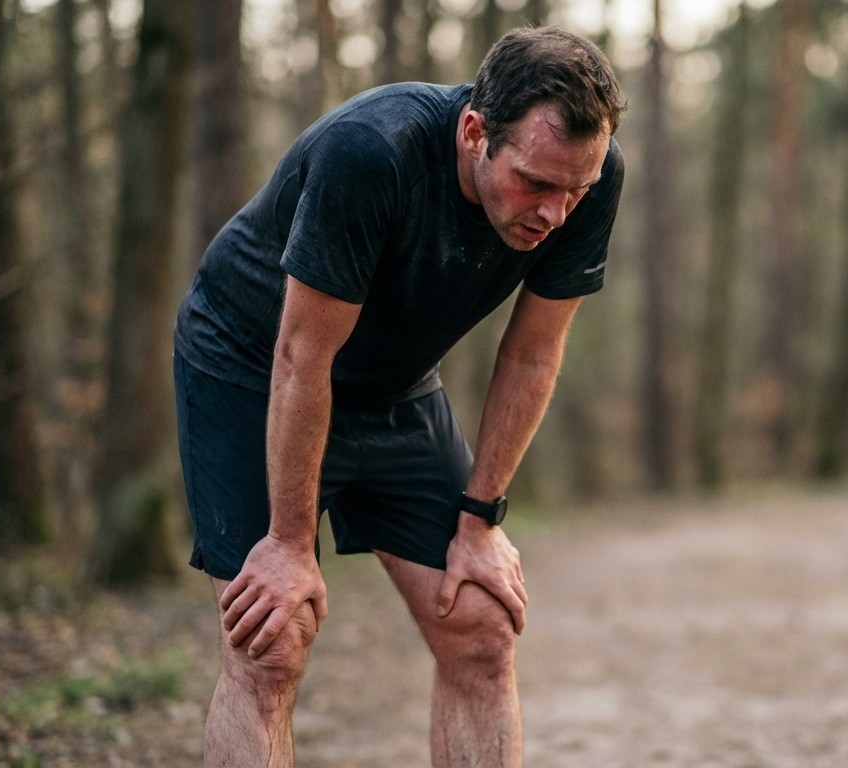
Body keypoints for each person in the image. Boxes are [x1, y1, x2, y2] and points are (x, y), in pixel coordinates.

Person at [171, 25, 625, 767]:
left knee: (480, 623)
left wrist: (480, 519)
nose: (554, 213)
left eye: (576, 189)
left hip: (393, 383)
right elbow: (300, 355)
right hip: (253, 367)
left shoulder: (586, 178)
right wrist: (287, 545)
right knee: (271, 642)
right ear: (474, 132)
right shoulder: (371, 153)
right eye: (536, 184)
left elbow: (532, 353)